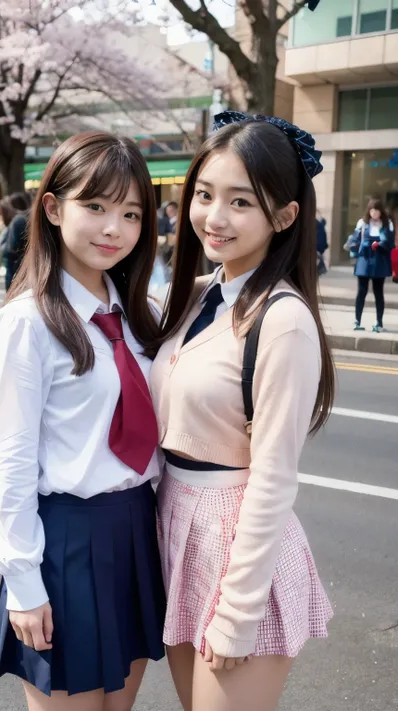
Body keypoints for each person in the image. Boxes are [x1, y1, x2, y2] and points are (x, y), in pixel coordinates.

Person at [150, 111, 335, 711]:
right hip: (177, 528)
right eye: (204, 195)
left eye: (240, 202)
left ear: (284, 218)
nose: (214, 217)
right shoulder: (200, 295)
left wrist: (238, 610)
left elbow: (274, 478)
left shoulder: (282, 321)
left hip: (237, 549)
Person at [0, 131, 166, 711]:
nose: (114, 228)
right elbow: (8, 458)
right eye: (96, 206)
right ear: (54, 208)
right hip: (65, 542)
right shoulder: (28, 323)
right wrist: (24, 585)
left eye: (131, 213)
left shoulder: (141, 314)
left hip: (137, 531)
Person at [348, 198, 395, 333]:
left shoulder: (387, 224)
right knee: (361, 292)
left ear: (381, 212)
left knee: (378, 292)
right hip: (365, 259)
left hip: (379, 260)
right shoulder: (362, 223)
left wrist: (380, 244)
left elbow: (390, 243)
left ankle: (378, 323)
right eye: (372, 210)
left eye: (377, 210)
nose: (374, 213)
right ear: (369, 211)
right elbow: (355, 240)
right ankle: (357, 320)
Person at [0, 192, 30, 290]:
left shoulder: (18, 220)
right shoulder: (25, 218)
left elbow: (11, 248)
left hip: (14, 265)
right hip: (20, 264)